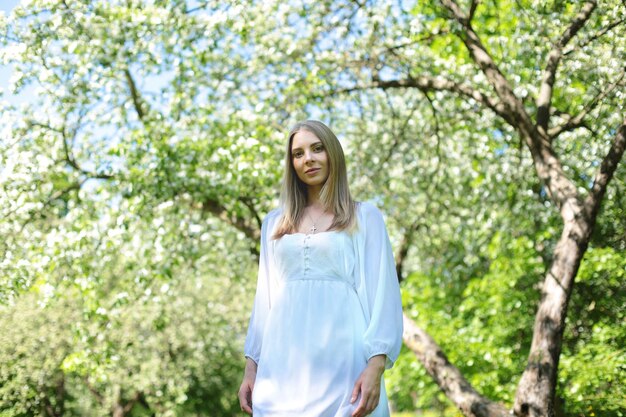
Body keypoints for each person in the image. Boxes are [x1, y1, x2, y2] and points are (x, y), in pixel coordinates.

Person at [238, 120, 403, 417]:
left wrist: (376, 366)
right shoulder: (274, 224)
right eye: (298, 154)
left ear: (333, 154)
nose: (308, 159)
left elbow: (384, 295)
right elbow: (264, 303)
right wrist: (252, 368)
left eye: (317, 149)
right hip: (281, 367)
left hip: (344, 361)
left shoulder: (364, 217)